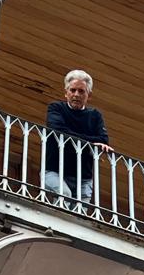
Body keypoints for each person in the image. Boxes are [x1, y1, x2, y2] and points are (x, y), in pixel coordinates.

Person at [43, 69, 113, 203]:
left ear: (89, 95)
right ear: (66, 92)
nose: (76, 94)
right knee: (65, 194)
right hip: (54, 171)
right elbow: (58, 131)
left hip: (83, 178)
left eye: (81, 91)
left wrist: (75, 138)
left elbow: (103, 140)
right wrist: (90, 143)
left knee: (79, 216)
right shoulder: (56, 108)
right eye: (73, 90)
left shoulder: (95, 115)